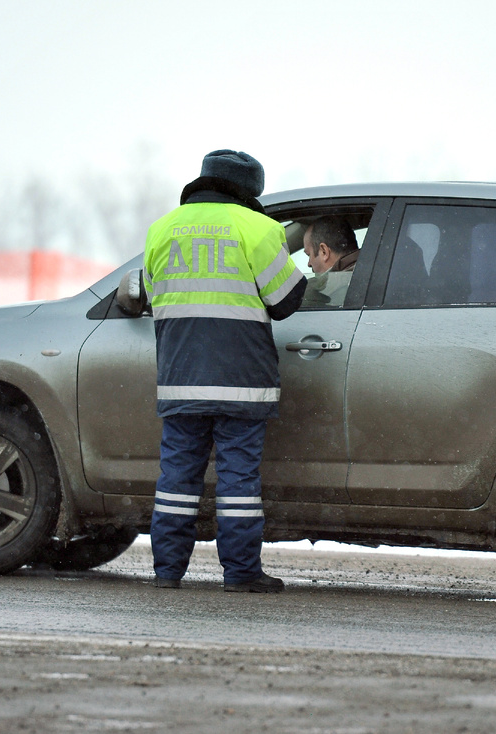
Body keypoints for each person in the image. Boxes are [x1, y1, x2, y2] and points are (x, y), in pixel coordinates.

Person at [142, 149, 306, 593]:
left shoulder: (163, 229)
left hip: (181, 378)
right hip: (241, 383)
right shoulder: (258, 229)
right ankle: (240, 572)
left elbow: (152, 296)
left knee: (176, 479)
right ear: (250, 192)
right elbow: (286, 301)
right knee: (237, 484)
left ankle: (167, 571)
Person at [300, 216, 359, 308]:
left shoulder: (338, 289)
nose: (309, 264)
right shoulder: (368, 273)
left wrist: (304, 297)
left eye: (309, 255)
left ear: (324, 252)